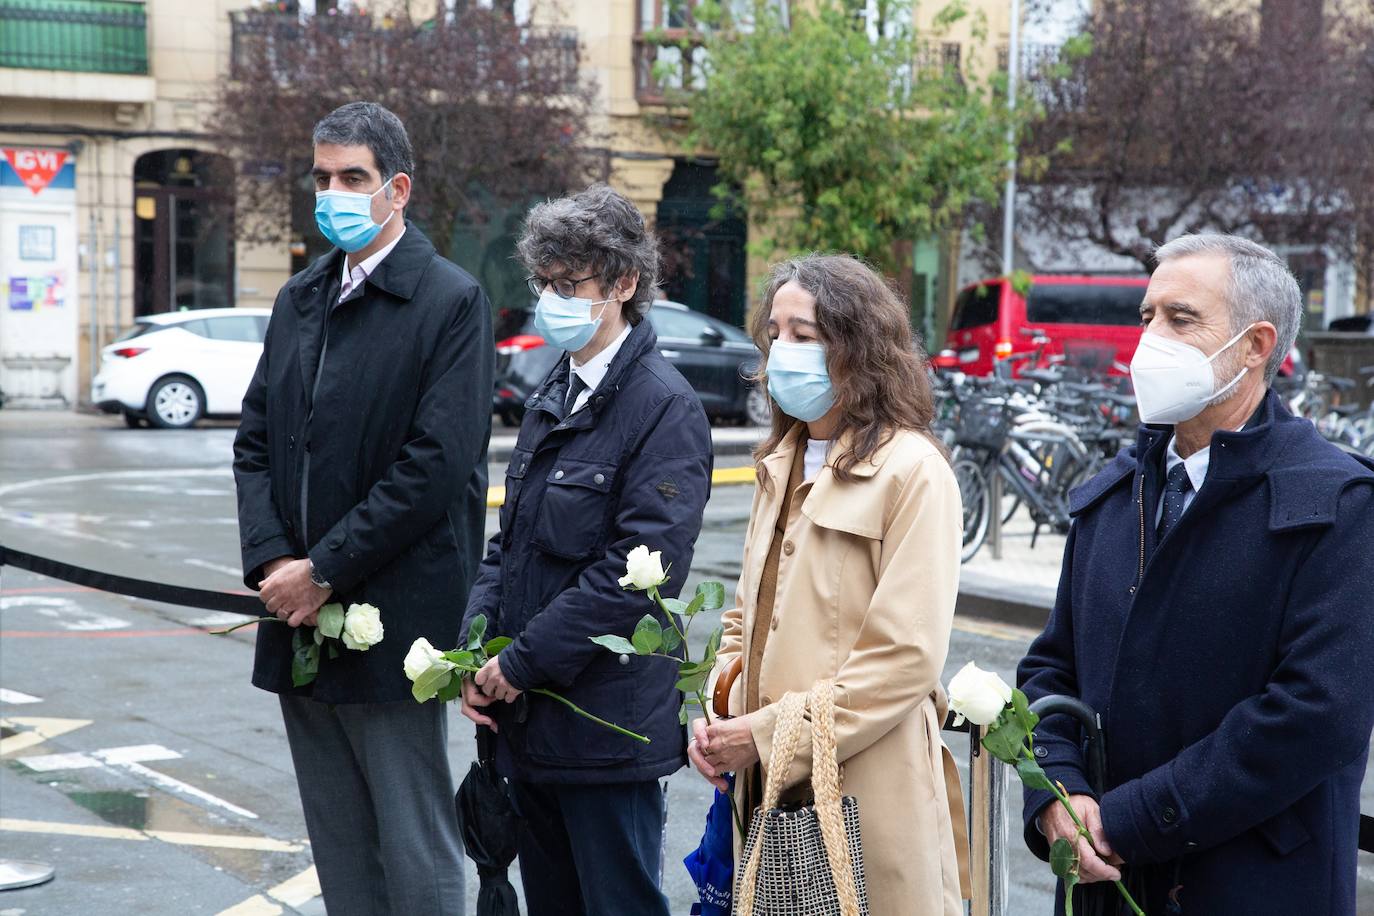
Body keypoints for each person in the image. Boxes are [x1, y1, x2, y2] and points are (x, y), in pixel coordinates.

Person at [1018, 234, 1374, 914]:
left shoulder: (1338, 504)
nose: (1150, 339)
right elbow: (1050, 673)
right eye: (1147, 317)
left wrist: (1129, 821)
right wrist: (1056, 800)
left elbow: (1316, 715)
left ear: (1255, 344)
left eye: (1181, 320)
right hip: (1108, 892)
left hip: (1255, 890)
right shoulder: (1114, 495)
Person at [232, 101, 493, 915]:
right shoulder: (299, 299)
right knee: (339, 842)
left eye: (353, 177)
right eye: (322, 178)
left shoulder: (450, 301)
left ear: (398, 189)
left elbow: (435, 467)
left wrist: (326, 569)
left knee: (415, 846)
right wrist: (277, 562)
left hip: (396, 619)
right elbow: (255, 444)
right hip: (300, 615)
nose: (333, 193)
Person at [459, 184, 713, 916]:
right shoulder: (555, 391)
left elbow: (638, 573)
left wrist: (520, 662)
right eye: (544, 284)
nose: (551, 301)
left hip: (607, 737)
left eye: (570, 285)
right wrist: (478, 650)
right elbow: (509, 544)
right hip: (533, 725)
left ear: (624, 283)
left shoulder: (664, 408)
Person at [690, 254, 970, 914]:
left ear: (857, 348)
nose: (782, 351)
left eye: (805, 335)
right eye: (776, 334)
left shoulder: (913, 471)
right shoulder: (778, 464)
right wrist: (722, 709)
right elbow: (743, 620)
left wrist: (765, 734)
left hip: (869, 790)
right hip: (767, 791)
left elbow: (905, 657)